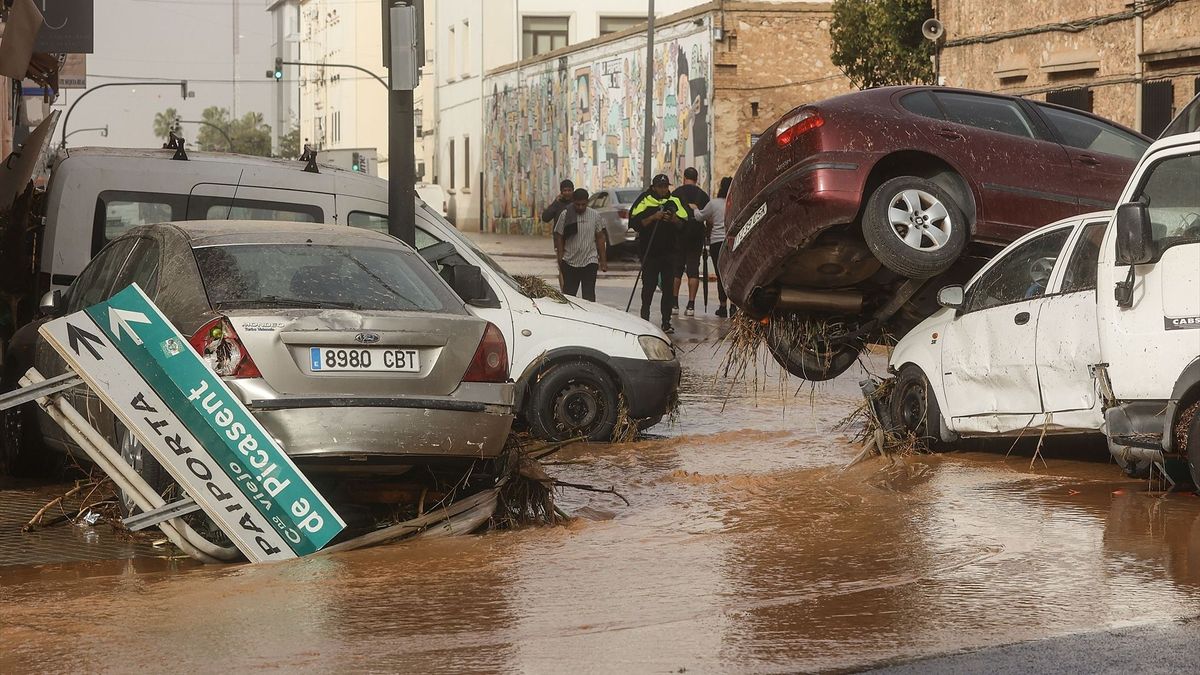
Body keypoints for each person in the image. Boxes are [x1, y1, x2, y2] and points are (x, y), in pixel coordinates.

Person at [629, 174, 691, 334]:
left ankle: (666, 321)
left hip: (670, 252)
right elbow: (635, 223)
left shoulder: (674, 201)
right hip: (649, 252)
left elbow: (685, 225)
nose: (663, 190)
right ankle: (644, 318)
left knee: (668, 288)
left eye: (665, 187)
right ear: (654, 187)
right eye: (660, 187)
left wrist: (674, 220)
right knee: (648, 287)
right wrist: (653, 217)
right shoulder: (645, 200)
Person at [553, 188, 607, 301]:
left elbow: (600, 237)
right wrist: (560, 257)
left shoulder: (595, 215)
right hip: (570, 262)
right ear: (573, 202)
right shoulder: (566, 214)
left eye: (583, 204)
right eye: (577, 204)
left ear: (587, 202)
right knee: (569, 297)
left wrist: (603, 261)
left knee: (589, 297)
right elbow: (559, 236)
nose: (580, 207)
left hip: (589, 261)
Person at [671, 167, 710, 317]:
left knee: (677, 270)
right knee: (693, 270)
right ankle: (691, 305)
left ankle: (674, 303)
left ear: (684, 177)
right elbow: (709, 218)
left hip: (678, 236)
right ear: (697, 178)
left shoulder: (676, 194)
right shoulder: (703, 196)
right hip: (696, 236)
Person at [697, 176, 732, 317]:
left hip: (717, 243)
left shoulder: (714, 203)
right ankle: (734, 306)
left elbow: (700, 217)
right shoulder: (735, 202)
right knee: (731, 274)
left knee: (720, 275)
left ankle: (723, 306)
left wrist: (693, 209)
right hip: (733, 242)